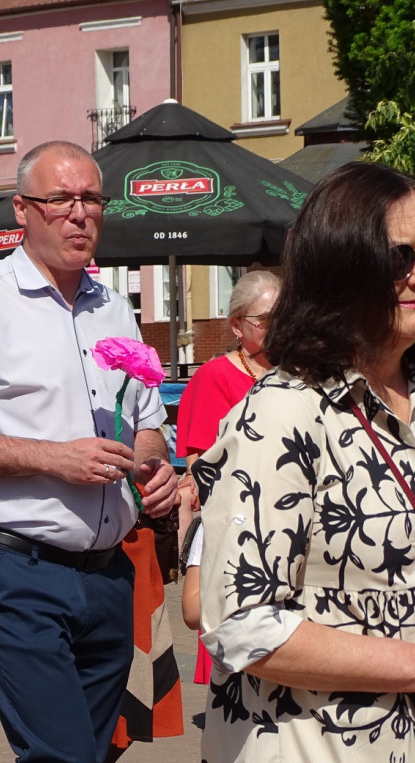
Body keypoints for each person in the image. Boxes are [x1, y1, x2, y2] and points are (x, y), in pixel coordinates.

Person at [194, 161, 415, 761]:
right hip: (316, 745)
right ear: (339, 269)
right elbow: (242, 625)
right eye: (397, 258)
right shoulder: (281, 415)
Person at [0, 140, 179, 763]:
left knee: (90, 754)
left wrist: (153, 469)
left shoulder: (115, 308)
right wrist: (53, 457)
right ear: (22, 210)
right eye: (60, 199)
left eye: (91, 198)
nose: (79, 213)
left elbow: (147, 428)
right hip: (16, 572)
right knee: (60, 755)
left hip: (110, 576)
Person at [174, 269, 281, 683]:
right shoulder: (214, 376)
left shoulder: (297, 370)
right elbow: (200, 464)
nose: (278, 327)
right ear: (237, 325)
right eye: (266, 319)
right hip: (237, 524)